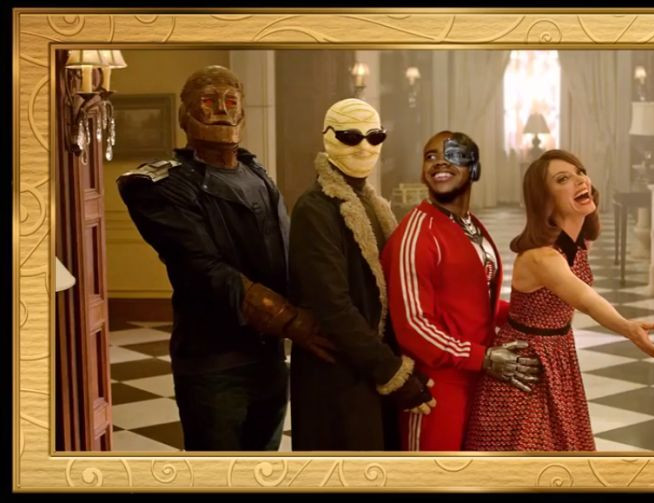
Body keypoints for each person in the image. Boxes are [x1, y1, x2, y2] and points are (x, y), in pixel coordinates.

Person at [117, 65, 336, 451]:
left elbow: (287, 255)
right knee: (217, 471)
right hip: (214, 361)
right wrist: (292, 321)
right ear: (185, 114)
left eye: (230, 101)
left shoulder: (256, 173)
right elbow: (204, 269)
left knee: (262, 464)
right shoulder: (160, 184)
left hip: (269, 357)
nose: (221, 109)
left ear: (242, 112)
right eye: (208, 101)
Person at [463, 149, 654, 451]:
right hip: (527, 364)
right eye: (563, 179)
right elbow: (587, 300)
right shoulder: (542, 258)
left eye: (580, 172)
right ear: (545, 201)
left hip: (558, 353)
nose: (580, 180)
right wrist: (628, 328)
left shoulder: (577, 243)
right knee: (532, 459)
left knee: (565, 451)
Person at [288, 98, 436, 451]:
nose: (364, 146)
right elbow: (333, 306)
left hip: (369, 369)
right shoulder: (315, 208)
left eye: (375, 136)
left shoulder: (375, 204)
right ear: (328, 136)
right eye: (351, 136)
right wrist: (391, 372)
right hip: (337, 375)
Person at [381, 131, 541, 451]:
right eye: (431, 156)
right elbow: (413, 326)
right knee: (432, 475)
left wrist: (529, 315)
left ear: (474, 168)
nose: (440, 162)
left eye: (453, 155)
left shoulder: (470, 224)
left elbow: (474, 300)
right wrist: (484, 358)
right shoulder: (417, 234)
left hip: (477, 379)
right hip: (436, 386)